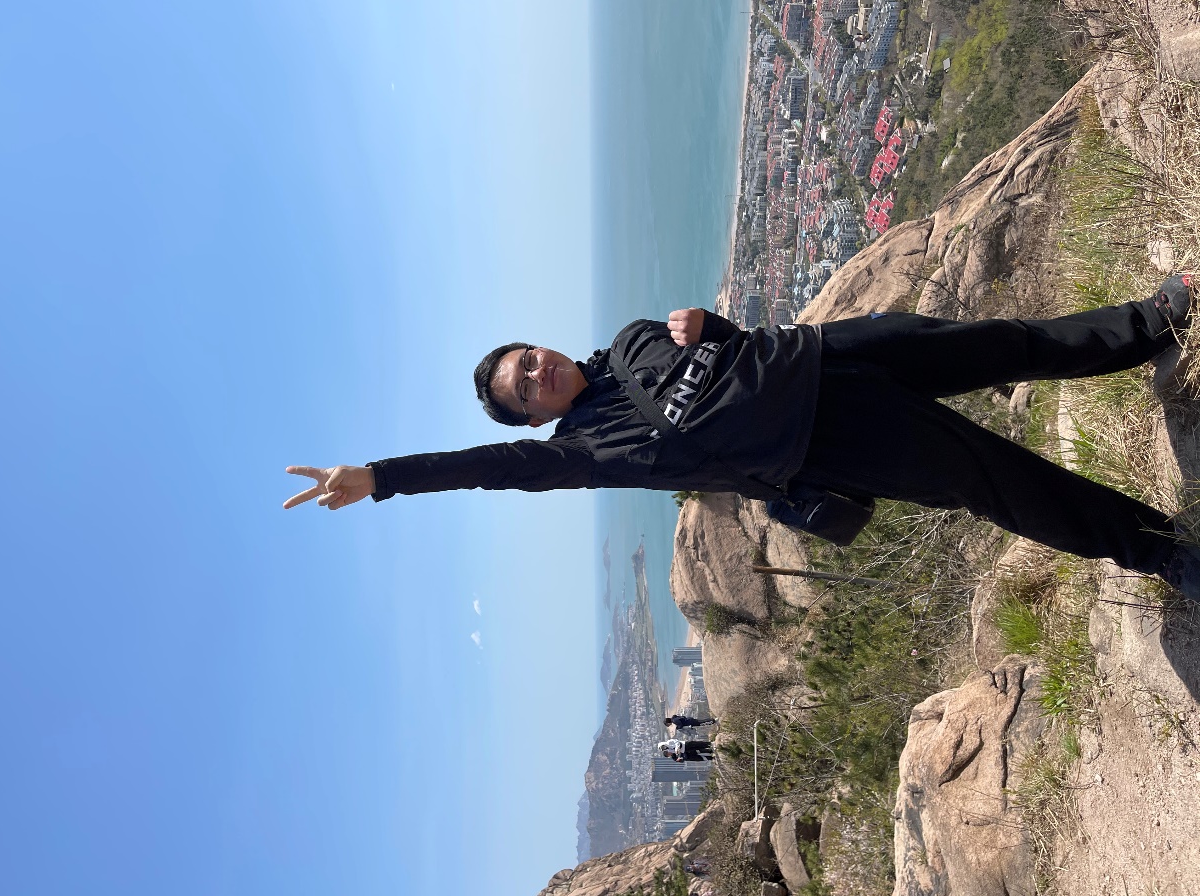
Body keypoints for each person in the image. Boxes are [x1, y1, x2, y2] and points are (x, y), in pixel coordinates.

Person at [284, 276, 1200, 598]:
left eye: (528, 358)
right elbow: (490, 470)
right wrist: (384, 476)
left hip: (832, 355)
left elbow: (724, 357)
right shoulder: (581, 451)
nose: (535, 372)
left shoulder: (628, 343)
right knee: (996, 479)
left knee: (1000, 342)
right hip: (827, 440)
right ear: (533, 419)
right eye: (522, 389)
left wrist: (710, 325)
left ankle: (1149, 323)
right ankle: (1160, 552)